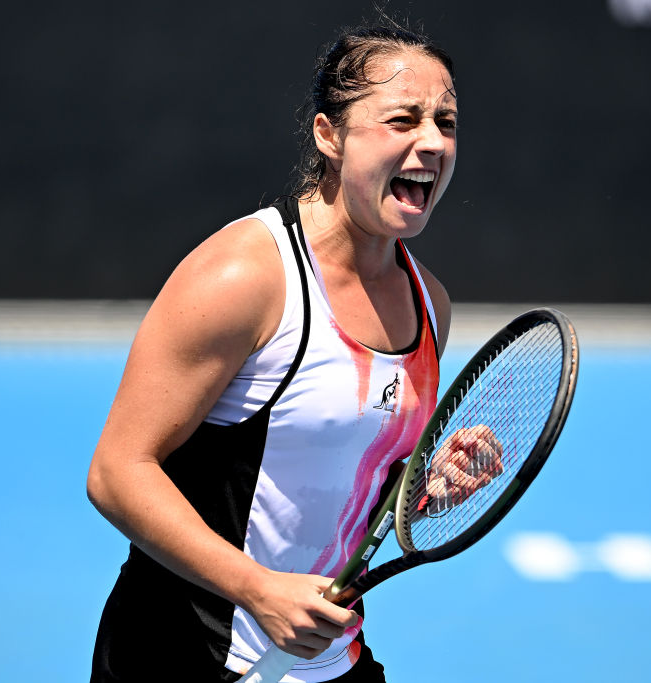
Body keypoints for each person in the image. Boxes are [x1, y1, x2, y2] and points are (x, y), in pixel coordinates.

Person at [87, 18, 469, 683]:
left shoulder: (429, 304)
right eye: (402, 120)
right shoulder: (246, 277)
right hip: (181, 658)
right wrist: (259, 589)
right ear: (329, 135)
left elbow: (345, 476)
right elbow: (117, 471)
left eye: (446, 122)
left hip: (330, 663)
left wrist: (423, 483)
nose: (432, 142)